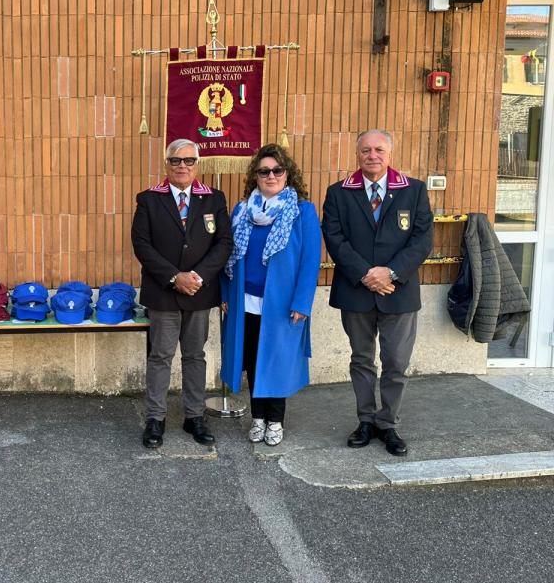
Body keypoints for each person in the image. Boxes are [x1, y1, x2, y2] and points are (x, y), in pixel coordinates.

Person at [321, 130, 433, 456]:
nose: (373, 155)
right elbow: (335, 237)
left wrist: (391, 272)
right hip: (356, 291)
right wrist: (366, 274)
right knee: (362, 359)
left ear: (390, 153)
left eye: (379, 149)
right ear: (357, 154)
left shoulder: (413, 190)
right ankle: (366, 419)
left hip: (399, 292)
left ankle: (388, 424)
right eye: (366, 150)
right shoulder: (339, 192)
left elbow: (422, 239)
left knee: (396, 361)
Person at [131, 139, 233, 448]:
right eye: (176, 161)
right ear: (167, 164)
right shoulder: (149, 199)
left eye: (189, 160)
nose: (182, 166)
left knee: (195, 355)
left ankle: (194, 417)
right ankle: (155, 419)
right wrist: (175, 277)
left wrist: (197, 277)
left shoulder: (214, 199)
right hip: (164, 292)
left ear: (197, 164)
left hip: (200, 292)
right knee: (160, 356)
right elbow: (141, 244)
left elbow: (224, 243)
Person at [219, 144, 321, 446]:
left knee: (276, 360)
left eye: (277, 170)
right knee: (252, 359)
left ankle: (275, 420)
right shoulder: (242, 210)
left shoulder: (302, 211)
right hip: (244, 301)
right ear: (256, 176)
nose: (271, 175)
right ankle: (258, 418)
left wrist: (303, 302)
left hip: (282, 303)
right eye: (264, 171)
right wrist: (225, 293)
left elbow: (310, 260)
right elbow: (228, 257)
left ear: (287, 174)